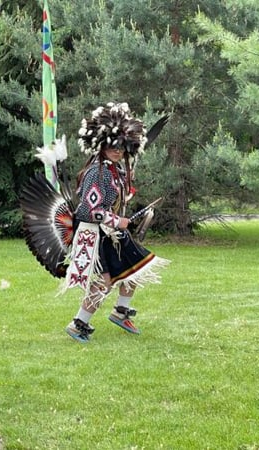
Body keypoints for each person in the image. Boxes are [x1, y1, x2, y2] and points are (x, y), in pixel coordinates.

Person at [64, 102, 170, 343]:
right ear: (101, 145)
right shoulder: (97, 172)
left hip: (110, 231)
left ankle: (121, 312)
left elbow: (113, 198)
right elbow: (88, 210)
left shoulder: (115, 171)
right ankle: (78, 323)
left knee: (136, 267)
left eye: (121, 147)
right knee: (104, 281)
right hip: (94, 233)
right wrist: (116, 219)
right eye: (112, 146)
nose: (117, 151)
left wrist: (125, 202)